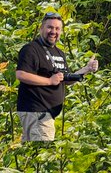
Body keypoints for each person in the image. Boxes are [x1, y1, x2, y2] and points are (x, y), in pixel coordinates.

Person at [15, 11, 98, 142]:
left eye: (57, 28)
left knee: (36, 154)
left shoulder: (59, 52)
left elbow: (64, 80)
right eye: (50, 27)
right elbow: (21, 74)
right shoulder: (31, 49)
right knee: (42, 154)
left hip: (48, 114)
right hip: (36, 111)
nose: (53, 31)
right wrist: (49, 81)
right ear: (41, 28)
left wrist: (87, 69)